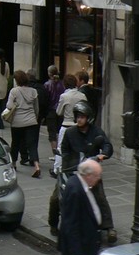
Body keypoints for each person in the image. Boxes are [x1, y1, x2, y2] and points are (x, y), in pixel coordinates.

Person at [49, 99, 117, 243]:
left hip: (90, 171)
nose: (79, 119)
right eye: (78, 116)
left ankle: (109, 227)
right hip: (72, 169)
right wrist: (66, 160)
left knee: (100, 196)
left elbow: (106, 144)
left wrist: (103, 154)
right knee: (56, 197)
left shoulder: (96, 132)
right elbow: (65, 150)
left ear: (88, 118)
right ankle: (53, 223)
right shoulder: (70, 132)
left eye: (82, 117)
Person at [4, 70, 41, 177]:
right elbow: (36, 108)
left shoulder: (14, 91)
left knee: (15, 143)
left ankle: (14, 163)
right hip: (31, 121)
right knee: (32, 145)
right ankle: (37, 166)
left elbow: (9, 106)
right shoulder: (33, 91)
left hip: (17, 122)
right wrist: (35, 118)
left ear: (17, 80)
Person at [52, 73, 81, 174]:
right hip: (78, 125)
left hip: (66, 124)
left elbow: (58, 112)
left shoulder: (64, 96)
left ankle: (57, 169)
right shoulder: (82, 96)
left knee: (61, 148)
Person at [43, 66, 65, 159]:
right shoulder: (62, 84)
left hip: (51, 111)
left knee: (52, 133)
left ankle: (55, 154)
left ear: (49, 73)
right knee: (59, 132)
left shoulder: (47, 84)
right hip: (60, 110)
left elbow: (46, 98)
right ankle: (60, 151)